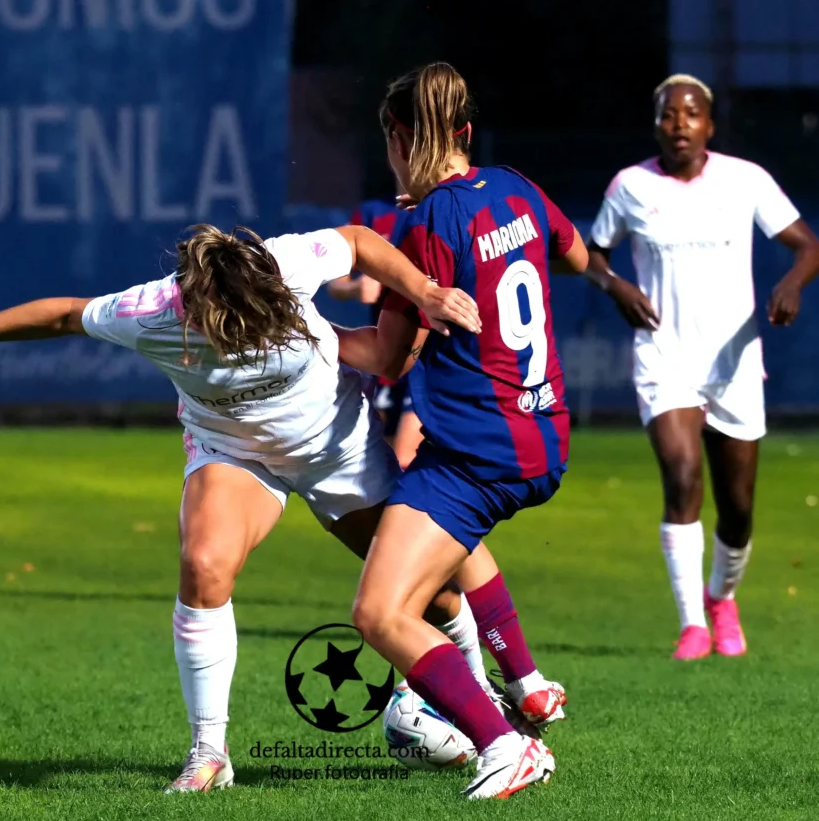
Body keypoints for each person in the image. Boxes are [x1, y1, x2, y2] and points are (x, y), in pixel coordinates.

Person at [0, 221, 491, 793]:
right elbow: (67, 315)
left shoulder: (283, 263)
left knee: (433, 593)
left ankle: (484, 708)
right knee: (203, 566)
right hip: (233, 451)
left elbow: (359, 241)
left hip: (334, 444)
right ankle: (209, 753)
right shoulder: (153, 312)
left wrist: (426, 290)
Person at [335, 62, 589, 800]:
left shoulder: (424, 225)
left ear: (400, 137)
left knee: (380, 612)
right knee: (450, 542)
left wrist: (300, 336)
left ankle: (505, 745)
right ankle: (529, 685)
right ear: (466, 133)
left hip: (479, 451)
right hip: (541, 434)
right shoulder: (515, 186)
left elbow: (385, 358)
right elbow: (570, 255)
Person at [584, 74, 819, 660]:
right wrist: (616, 287)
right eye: (668, 115)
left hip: (734, 361)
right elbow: (590, 254)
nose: (679, 124)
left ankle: (722, 598)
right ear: (656, 123)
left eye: (692, 115)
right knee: (683, 477)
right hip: (664, 357)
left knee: (737, 509)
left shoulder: (745, 180)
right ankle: (692, 624)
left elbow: (808, 246)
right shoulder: (630, 186)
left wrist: (791, 284)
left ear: (710, 125)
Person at [328, 198, 425, 468]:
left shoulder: (440, 206)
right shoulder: (373, 214)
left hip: (427, 352)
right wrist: (357, 287)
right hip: (386, 351)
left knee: (406, 457)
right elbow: (337, 284)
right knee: (379, 459)